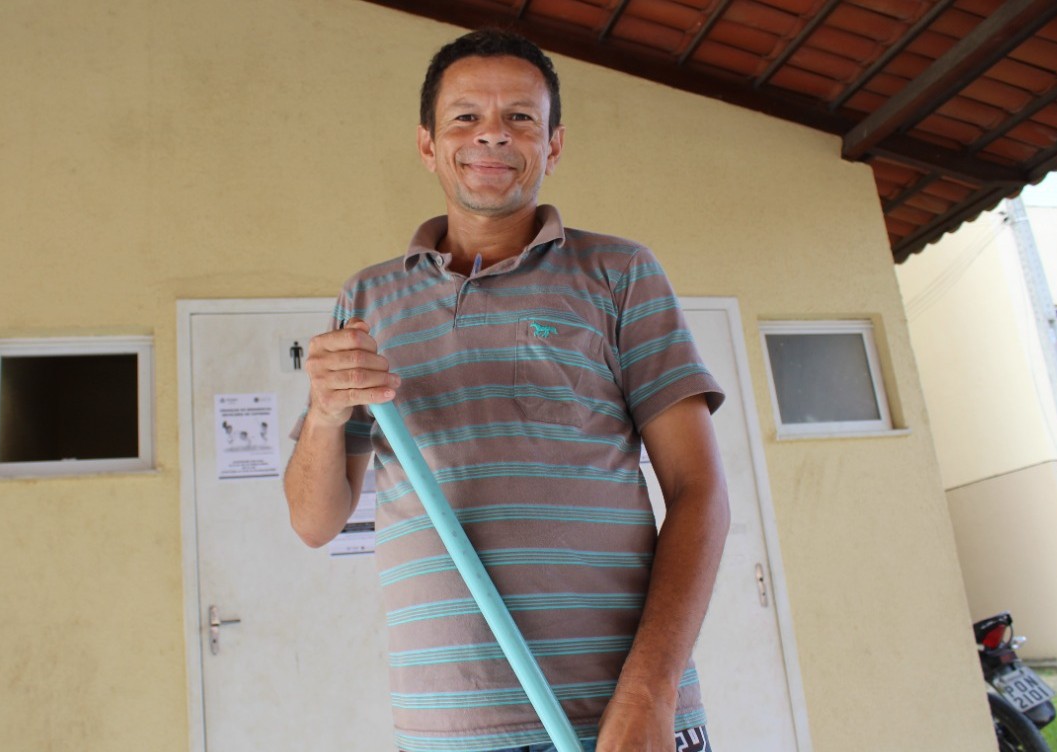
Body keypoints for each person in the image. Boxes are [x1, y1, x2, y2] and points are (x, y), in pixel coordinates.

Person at [284, 29, 729, 752]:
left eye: (520, 117)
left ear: (553, 145)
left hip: (617, 724)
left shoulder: (620, 273)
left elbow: (699, 491)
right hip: (444, 733)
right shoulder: (366, 299)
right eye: (465, 117)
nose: (491, 134)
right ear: (428, 145)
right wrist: (327, 414)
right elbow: (313, 522)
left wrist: (652, 693)